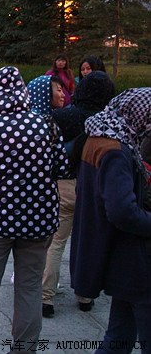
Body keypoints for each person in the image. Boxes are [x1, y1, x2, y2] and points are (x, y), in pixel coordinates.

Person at [0, 67, 69, 354]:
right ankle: (24, 349)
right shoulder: (47, 125)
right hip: (39, 220)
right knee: (30, 287)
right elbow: (63, 168)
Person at [70, 88, 151, 353]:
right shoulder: (116, 150)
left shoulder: (100, 137)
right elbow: (121, 210)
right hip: (134, 259)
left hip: (121, 258)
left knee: (118, 338)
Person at [41, 71, 115, 318]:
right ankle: (85, 295)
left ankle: (46, 297)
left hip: (64, 185)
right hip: (95, 186)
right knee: (88, 241)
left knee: (56, 242)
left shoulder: (62, 116)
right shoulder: (108, 120)